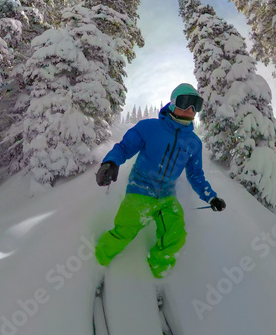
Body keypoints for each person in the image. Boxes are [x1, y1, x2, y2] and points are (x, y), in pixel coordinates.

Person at [93, 83, 226, 279]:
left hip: (167, 197)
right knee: (124, 231)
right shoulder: (149, 128)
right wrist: (111, 162)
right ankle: (96, 263)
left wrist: (211, 197)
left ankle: (157, 273)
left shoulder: (194, 143)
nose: (191, 109)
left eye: (196, 104)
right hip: (140, 190)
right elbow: (124, 148)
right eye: (186, 102)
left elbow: (195, 174)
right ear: (173, 104)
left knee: (176, 234)